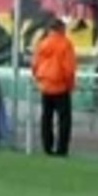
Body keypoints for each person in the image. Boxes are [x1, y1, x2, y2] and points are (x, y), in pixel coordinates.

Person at [32, 17, 77, 156]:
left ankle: (47, 147)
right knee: (64, 119)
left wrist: (39, 80)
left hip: (45, 85)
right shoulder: (65, 44)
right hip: (60, 85)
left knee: (46, 117)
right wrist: (70, 85)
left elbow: (35, 65)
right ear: (61, 29)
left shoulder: (42, 44)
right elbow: (68, 69)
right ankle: (61, 149)